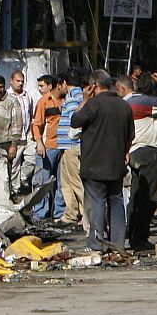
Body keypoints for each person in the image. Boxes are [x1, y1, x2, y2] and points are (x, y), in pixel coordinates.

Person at [71, 69, 134, 252]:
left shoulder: (93, 104)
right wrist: (124, 153)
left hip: (94, 164)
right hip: (116, 164)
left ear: (94, 86)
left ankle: (97, 243)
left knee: (97, 202)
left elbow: (75, 120)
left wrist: (84, 99)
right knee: (116, 202)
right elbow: (130, 136)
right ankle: (118, 244)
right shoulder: (124, 106)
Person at [117, 72, 157, 251]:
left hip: (135, 151)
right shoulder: (142, 102)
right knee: (149, 197)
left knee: (136, 195)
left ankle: (132, 232)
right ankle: (140, 238)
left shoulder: (125, 104)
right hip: (150, 151)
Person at [31, 74, 65, 219]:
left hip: (63, 146)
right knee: (43, 181)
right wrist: (39, 142)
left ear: (51, 86)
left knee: (61, 182)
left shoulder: (66, 101)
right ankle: (40, 214)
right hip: (47, 147)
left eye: (42, 86)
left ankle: (59, 213)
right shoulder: (43, 102)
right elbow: (37, 125)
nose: (39, 89)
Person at [57, 68, 87, 228]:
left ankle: (85, 214)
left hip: (72, 145)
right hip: (67, 146)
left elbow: (75, 120)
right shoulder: (76, 95)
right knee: (67, 183)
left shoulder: (74, 98)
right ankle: (71, 213)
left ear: (63, 83)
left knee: (76, 182)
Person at [7, 70, 35, 193]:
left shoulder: (27, 96)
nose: (20, 84)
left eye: (22, 81)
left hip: (27, 133)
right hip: (14, 135)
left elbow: (31, 114)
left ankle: (22, 177)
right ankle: (15, 189)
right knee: (14, 163)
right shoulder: (7, 96)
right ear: (11, 81)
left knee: (33, 157)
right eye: (18, 81)